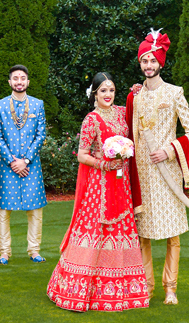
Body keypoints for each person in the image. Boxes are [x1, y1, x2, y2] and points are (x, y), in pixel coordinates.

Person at [47, 72, 149, 312]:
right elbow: (82, 155)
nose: (108, 95)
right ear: (94, 93)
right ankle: (77, 292)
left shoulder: (122, 113)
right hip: (98, 187)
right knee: (94, 230)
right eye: (103, 90)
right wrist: (104, 163)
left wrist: (139, 90)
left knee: (120, 230)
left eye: (111, 90)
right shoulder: (91, 120)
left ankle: (122, 292)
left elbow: (139, 110)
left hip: (121, 185)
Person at [126, 29, 189, 305]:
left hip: (168, 174)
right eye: (144, 61)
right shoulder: (134, 97)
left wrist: (169, 150)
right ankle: (146, 287)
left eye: (152, 60)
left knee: (172, 235)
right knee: (143, 235)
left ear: (160, 63)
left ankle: (171, 288)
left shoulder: (175, 93)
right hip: (142, 175)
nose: (148, 65)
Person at [0, 65, 47, 264]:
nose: (19, 82)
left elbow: (41, 134)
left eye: (22, 78)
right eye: (15, 78)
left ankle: (34, 250)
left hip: (30, 165)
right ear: (9, 82)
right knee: (3, 211)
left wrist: (26, 160)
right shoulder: (0, 105)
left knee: (35, 210)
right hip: (8, 166)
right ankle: (4, 252)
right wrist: (13, 161)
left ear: (28, 82)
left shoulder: (37, 104)